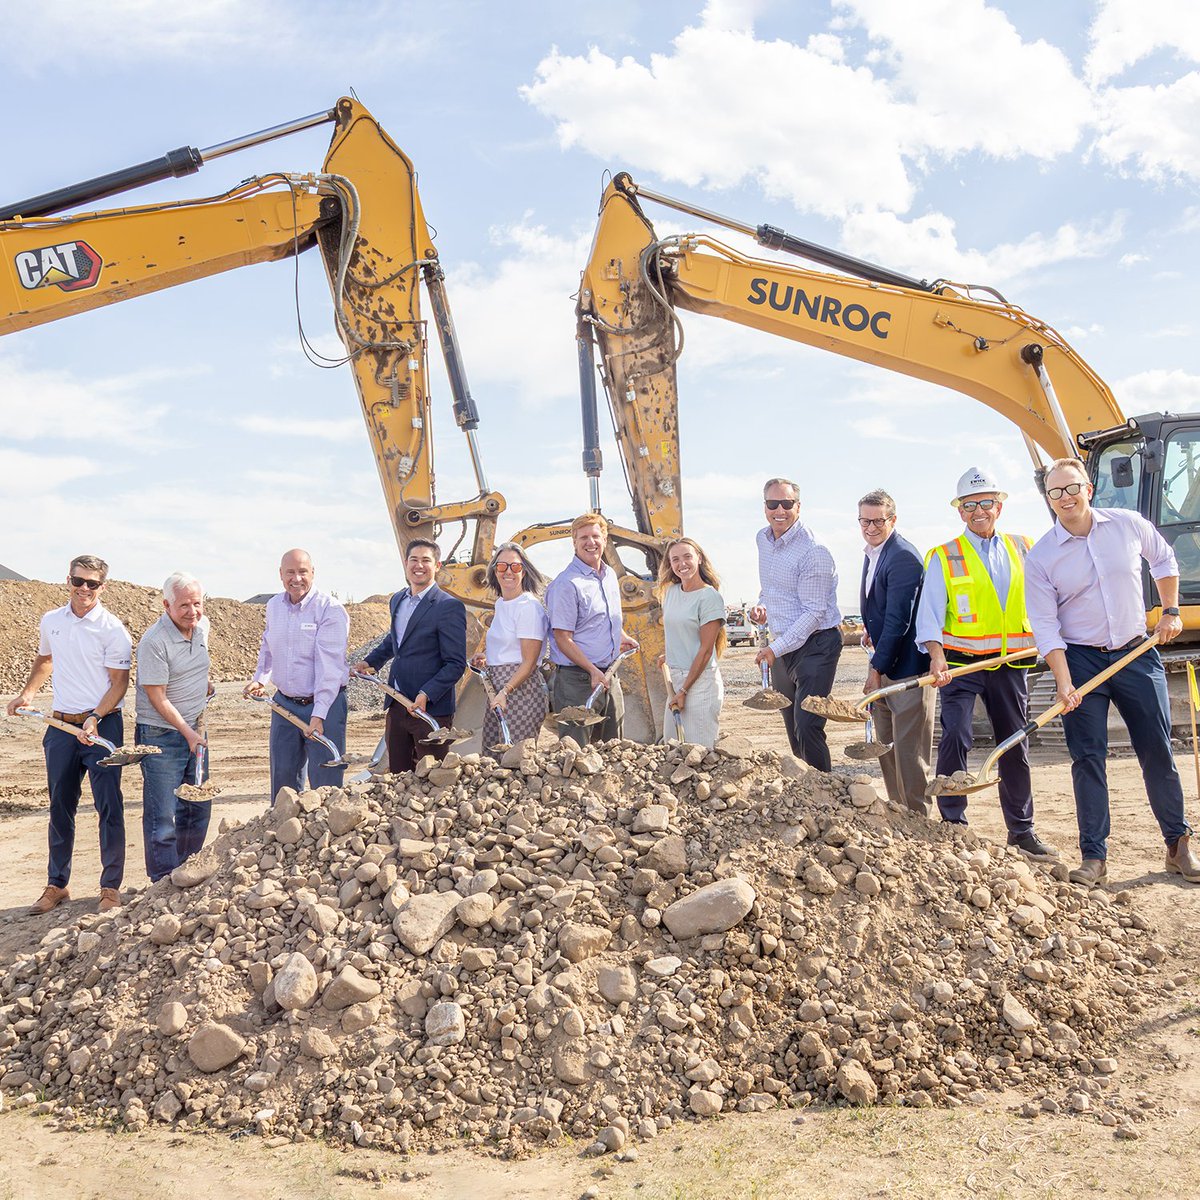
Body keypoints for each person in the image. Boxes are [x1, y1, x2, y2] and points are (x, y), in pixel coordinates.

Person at [1025, 457, 1200, 885]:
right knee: (1088, 758)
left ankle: (1178, 846)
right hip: (1081, 660)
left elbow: (1164, 559)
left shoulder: (1127, 524)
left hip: (1136, 652)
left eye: (1071, 488)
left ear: (1089, 488)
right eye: (1055, 492)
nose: (1065, 498)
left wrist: (1172, 611)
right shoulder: (1042, 556)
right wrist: (1064, 681)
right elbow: (1046, 626)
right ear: (1048, 499)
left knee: (1157, 749)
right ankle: (1094, 858)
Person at [915, 467, 1054, 856]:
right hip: (961, 664)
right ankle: (954, 820)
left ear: (1000, 506)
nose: (979, 510)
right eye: (970, 504)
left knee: (1014, 744)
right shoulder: (944, 555)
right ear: (960, 511)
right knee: (956, 735)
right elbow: (929, 612)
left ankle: (1021, 830)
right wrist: (937, 658)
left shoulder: (1024, 546)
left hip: (1011, 664)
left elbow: (1046, 598)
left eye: (987, 503)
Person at [6, 555, 131, 915]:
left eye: (92, 583)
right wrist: (28, 692)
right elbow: (45, 660)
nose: (84, 589)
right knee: (60, 806)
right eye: (79, 581)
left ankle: (110, 887)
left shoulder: (112, 629)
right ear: (68, 580)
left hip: (102, 726)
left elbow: (119, 684)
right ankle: (57, 885)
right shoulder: (52, 621)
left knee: (109, 806)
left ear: (103, 587)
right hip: (60, 727)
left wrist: (95, 717)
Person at [748, 477, 842, 770]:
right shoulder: (763, 539)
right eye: (772, 504)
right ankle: (805, 792)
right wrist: (762, 606)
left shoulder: (814, 550)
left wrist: (774, 649)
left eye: (787, 504)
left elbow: (814, 613)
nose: (780, 510)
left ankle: (825, 794)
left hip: (817, 644)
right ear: (764, 507)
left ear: (798, 507)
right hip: (783, 643)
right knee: (791, 724)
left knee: (808, 724)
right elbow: (772, 589)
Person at [245, 548, 349, 801]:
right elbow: (268, 646)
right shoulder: (273, 606)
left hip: (325, 705)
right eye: (290, 572)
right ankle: (284, 834)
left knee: (325, 785)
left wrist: (319, 713)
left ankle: (327, 837)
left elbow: (330, 668)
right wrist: (260, 678)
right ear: (281, 575)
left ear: (313, 573)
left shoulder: (329, 609)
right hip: (284, 705)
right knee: (283, 783)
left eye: (303, 571)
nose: (297, 578)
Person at [354, 539, 467, 772]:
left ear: (437, 565)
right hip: (397, 705)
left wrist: (427, 693)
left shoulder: (448, 606)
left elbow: (455, 664)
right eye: (414, 560)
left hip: (430, 710)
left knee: (431, 780)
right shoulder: (398, 600)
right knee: (397, 778)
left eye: (426, 560)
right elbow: (394, 641)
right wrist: (370, 662)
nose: (419, 565)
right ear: (406, 564)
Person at [857, 489, 934, 814]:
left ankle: (918, 820)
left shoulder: (903, 556)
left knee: (909, 753)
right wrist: (869, 636)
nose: (871, 527)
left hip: (907, 670)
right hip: (887, 665)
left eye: (878, 521)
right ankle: (900, 815)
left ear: (893, 519)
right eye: (864, 521)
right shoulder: (873, 553)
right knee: (887, 750)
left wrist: (876, 668)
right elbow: (880, 611)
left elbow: (898, 621)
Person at [135, 571, 213, 882]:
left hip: (195, 730)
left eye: (197, 603)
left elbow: (196, 663)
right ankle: (162, 881)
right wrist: (188, 733)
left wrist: (203, 683)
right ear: (167, 605)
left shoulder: (201, 628)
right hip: (161, 735)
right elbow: (157, 696)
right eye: (184, 606)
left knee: (197, 806)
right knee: (163, 815)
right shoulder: (154, 642)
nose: (192, 611)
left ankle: (186, 869)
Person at [546, 512, 639, 744]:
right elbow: (562, 638)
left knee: (613, 749)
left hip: (609, 675)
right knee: (576, 752)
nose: (590, 542)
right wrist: (591, 671)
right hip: (577, 682)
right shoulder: (566, 584)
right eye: (583, 537)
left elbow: (602, 619)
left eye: (595, 536)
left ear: (605, 540)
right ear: (574, 543)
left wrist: (622, 637)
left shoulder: (608, 577)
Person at [472, 542, 550, 757]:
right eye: (502, 566)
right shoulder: (501, 604)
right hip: (497, 690)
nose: (508, 572)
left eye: (515, 567)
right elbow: (508, 648)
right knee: (492, 757)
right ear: (494, 570)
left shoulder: (528, 607)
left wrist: (505, 691)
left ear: (524, 571)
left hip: (520, 691)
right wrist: (486, 657)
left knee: (514, 760)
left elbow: (529, 662)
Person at [655, 537, 726, 748]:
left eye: (687, 557)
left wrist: (684, 690)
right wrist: (671, 654)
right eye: (675, 559)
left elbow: (705, 651)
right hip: (675, 679)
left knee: (699, 751)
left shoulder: (709, 597)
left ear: (699, 559)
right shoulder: (670, 593)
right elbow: (681, 632)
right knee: (672, 746)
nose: (682, 563)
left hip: (700, 682)